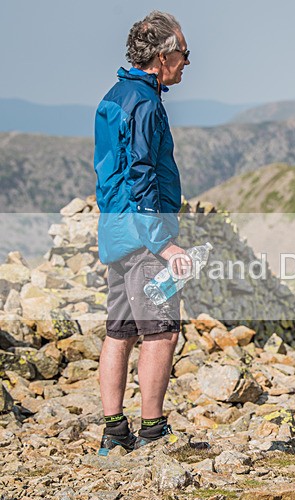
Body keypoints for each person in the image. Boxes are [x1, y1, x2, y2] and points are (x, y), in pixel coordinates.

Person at [93, 11, 191, 455]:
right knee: (161, 332)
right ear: (163, 55)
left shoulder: (115, 95)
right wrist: (163, 242)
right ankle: (152, 431)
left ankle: (114, 430)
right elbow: (141, 175)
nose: (187, 62)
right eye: (184, 53)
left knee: (119, 331)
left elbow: (111, 172)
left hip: (115, 232)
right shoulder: (147, 103)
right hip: (144, 237)